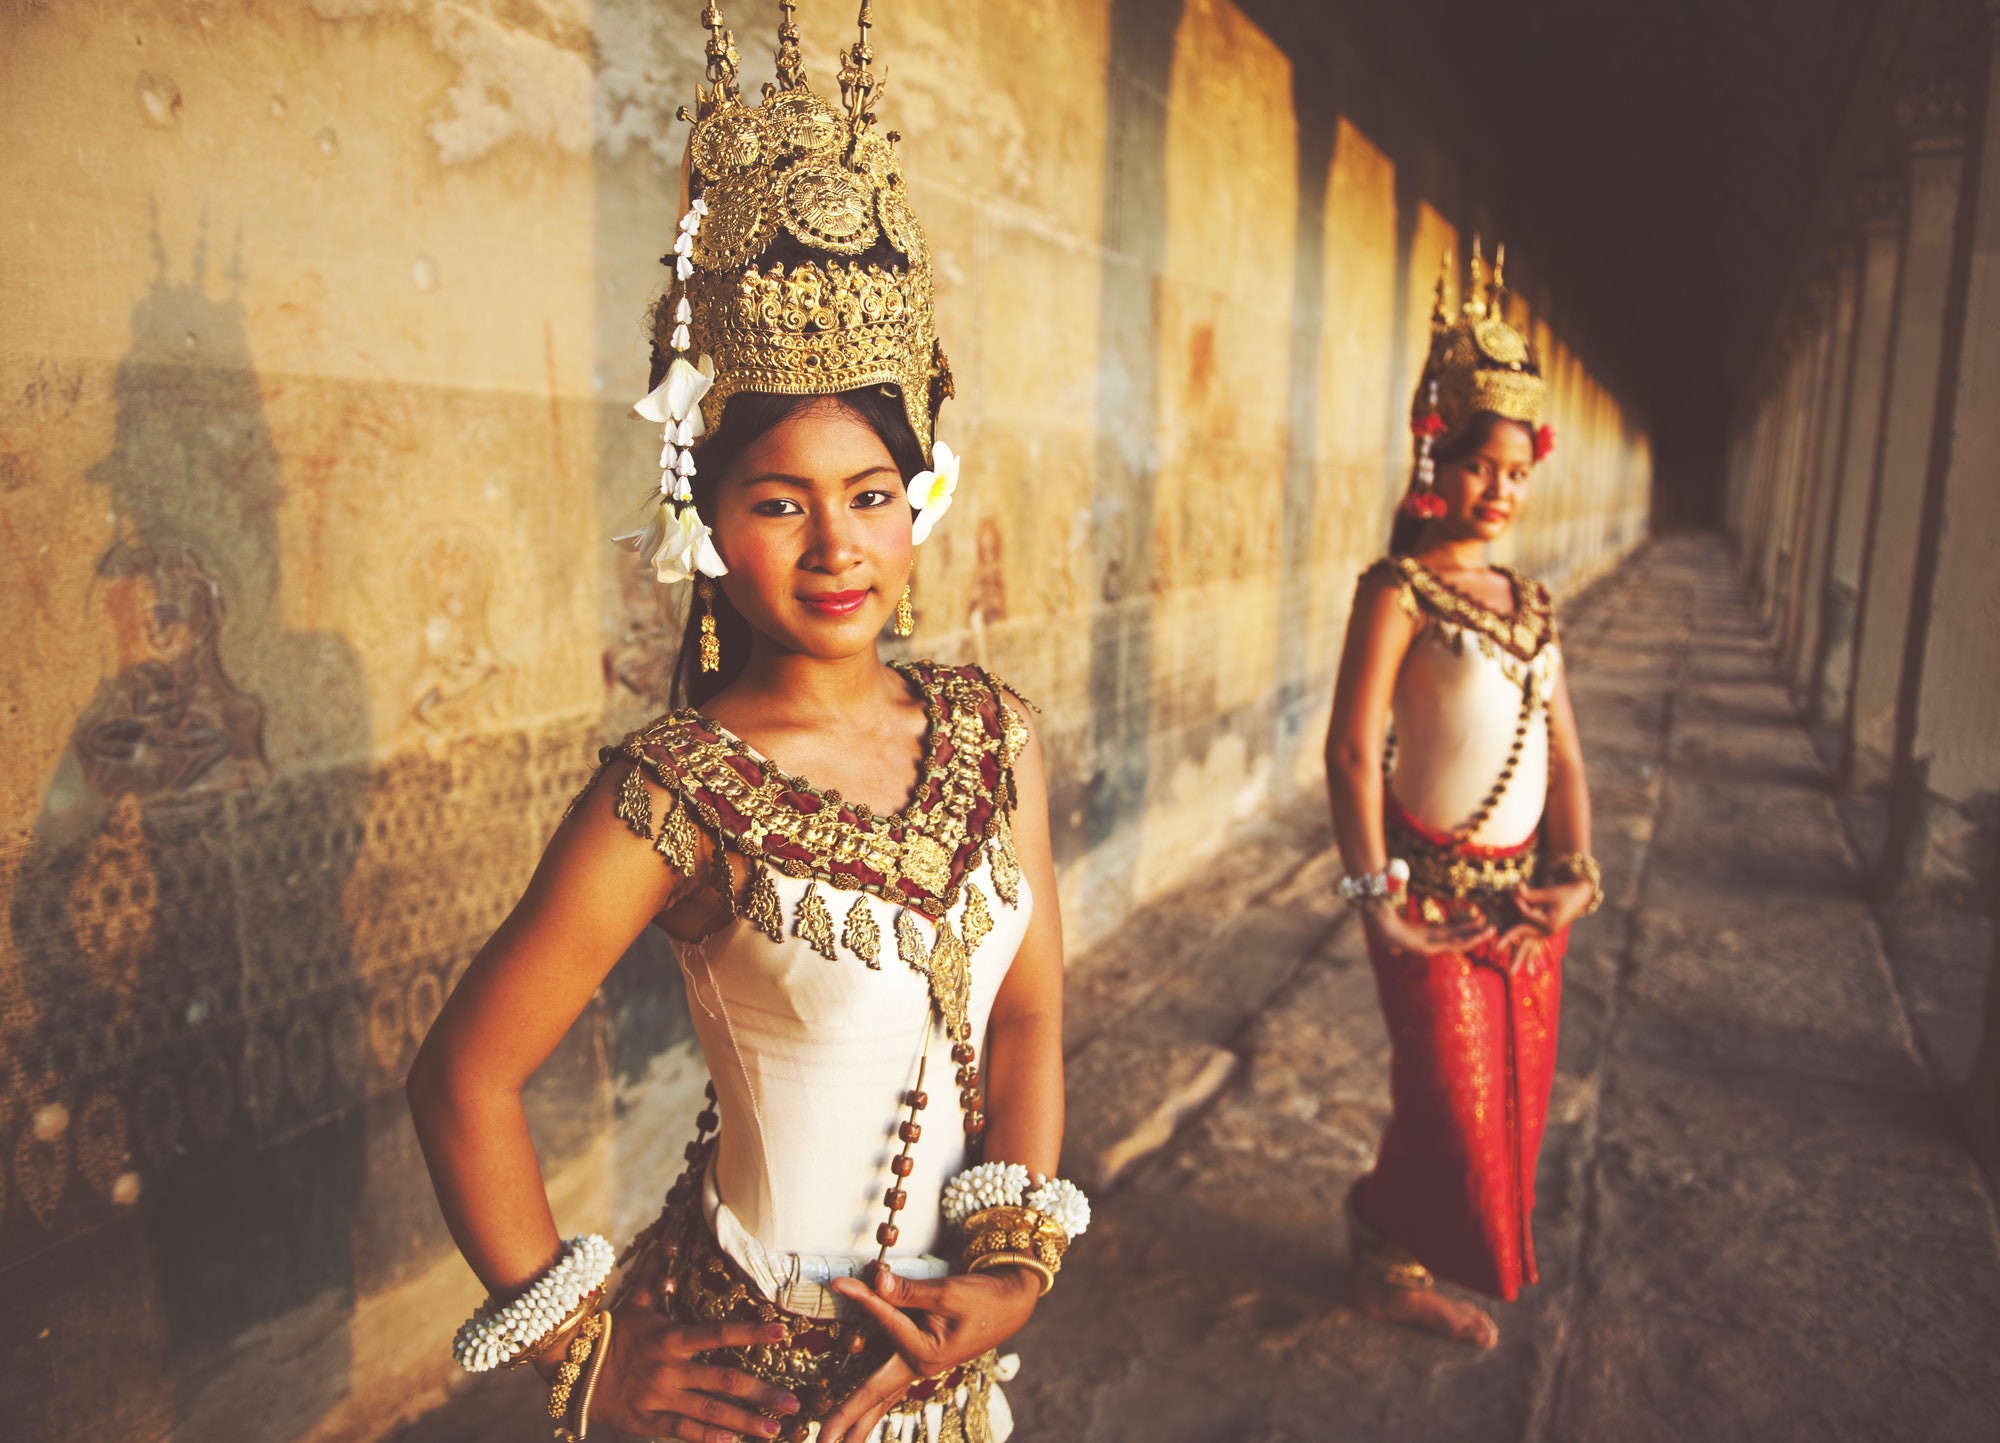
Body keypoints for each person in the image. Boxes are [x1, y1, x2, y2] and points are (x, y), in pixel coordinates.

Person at [406, 7, 1085, 1440]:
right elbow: (465, 1073)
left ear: (919, 507)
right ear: (707, 519)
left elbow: (1026, 1009)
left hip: (948, 1364)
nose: (837, 544)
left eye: (872, 495)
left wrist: (1014, 1265)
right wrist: (585, 1354)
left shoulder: (993, 732)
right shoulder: (677, 790)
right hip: (746, 1380)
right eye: (781, 499)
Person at [1322, 244, 1603, 1348]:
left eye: (1518, 472)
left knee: (1509, 1111)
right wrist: (1368, 894)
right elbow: (1351, 752)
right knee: (1448, 1099)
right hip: (1423, 896)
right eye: (1482, 467)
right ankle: (1379, 1247)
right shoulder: (1397, 590)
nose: (1501, 491)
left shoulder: (1532, 604)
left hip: (1526, 903)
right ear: (1437, 461)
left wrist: (1575, 879)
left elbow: (1566, 759)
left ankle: (1389, 1244)